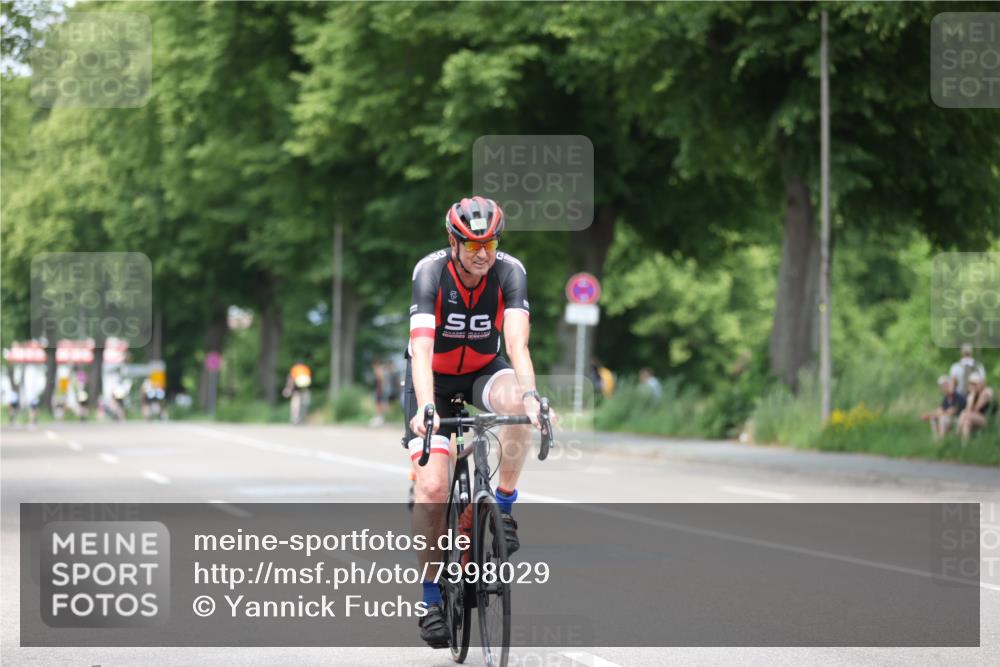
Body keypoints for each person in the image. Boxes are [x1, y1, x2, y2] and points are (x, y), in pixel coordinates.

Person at [403, 196, 555, 648]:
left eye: (490, 243)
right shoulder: (430, 272)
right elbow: (421, 349)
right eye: (472, 245)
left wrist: (531, 397)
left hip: (483, 371)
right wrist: (426, 407)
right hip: (432, 379)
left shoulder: (510, 272)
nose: (482, 253)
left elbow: (517, 344)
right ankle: (431, 600)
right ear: (453, 242)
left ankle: (503, 507)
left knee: (519, 405)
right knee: (433, 488)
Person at [958, 373, 995, 442]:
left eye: (975, 384)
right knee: (966, 422)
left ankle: (957, 433)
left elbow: (976, 409)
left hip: (988, 420)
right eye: (971, 384)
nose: (973, 386)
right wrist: (972, 396)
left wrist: (972, 395)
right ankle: (965, 445)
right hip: (975, 419)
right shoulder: (972, 395)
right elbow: (969, 410)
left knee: (964, 414)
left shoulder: (986, 392)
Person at [282, 360, 312, 424]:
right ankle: (303, 417)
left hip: (296, 388)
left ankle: (295, 418)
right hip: (305, 388)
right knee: (305, 403)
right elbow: (309, 379)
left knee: (295, 403)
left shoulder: (295, 369)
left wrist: (288, 389)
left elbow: (291, 379)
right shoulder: (306, 368)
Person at [370, 360, 389, 427]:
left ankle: (379, 418)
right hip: (379, 390)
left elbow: (381, 381)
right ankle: (379, 417)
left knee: (378, 404)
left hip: (379, 390)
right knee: (378, 404)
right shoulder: (380, 371)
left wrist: (380, 390)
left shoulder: (379, 371)